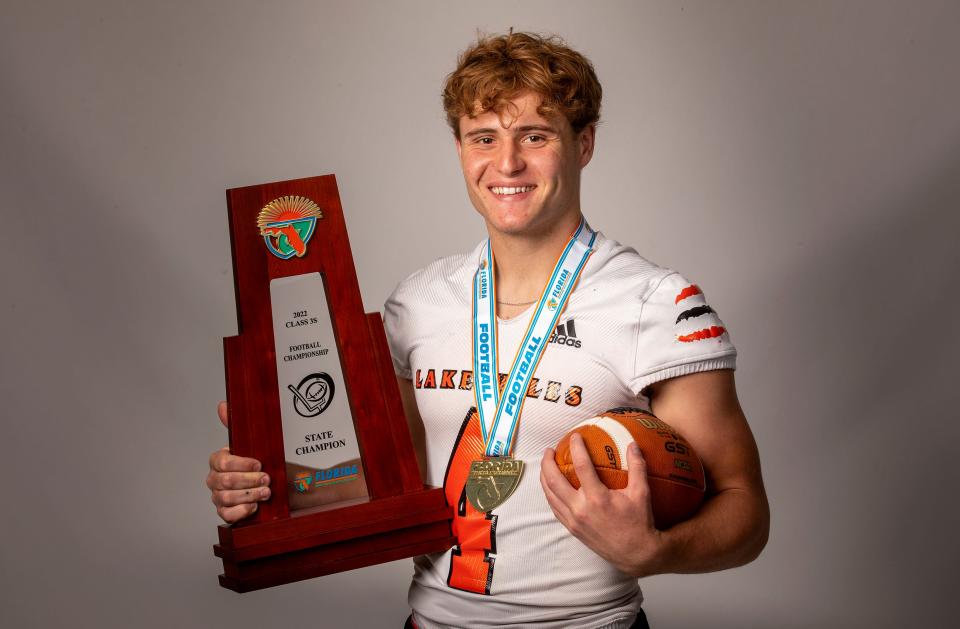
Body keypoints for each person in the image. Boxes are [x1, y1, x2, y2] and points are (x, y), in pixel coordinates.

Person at [207, 32, 769, 629]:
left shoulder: (656, 302)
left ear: (584, 144)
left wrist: (657, 552)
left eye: (535, 135)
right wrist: (271, 485)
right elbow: (384, 481)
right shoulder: (418, 302)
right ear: (459, 149)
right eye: (484, 138)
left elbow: (744, 511)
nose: (507, 164)